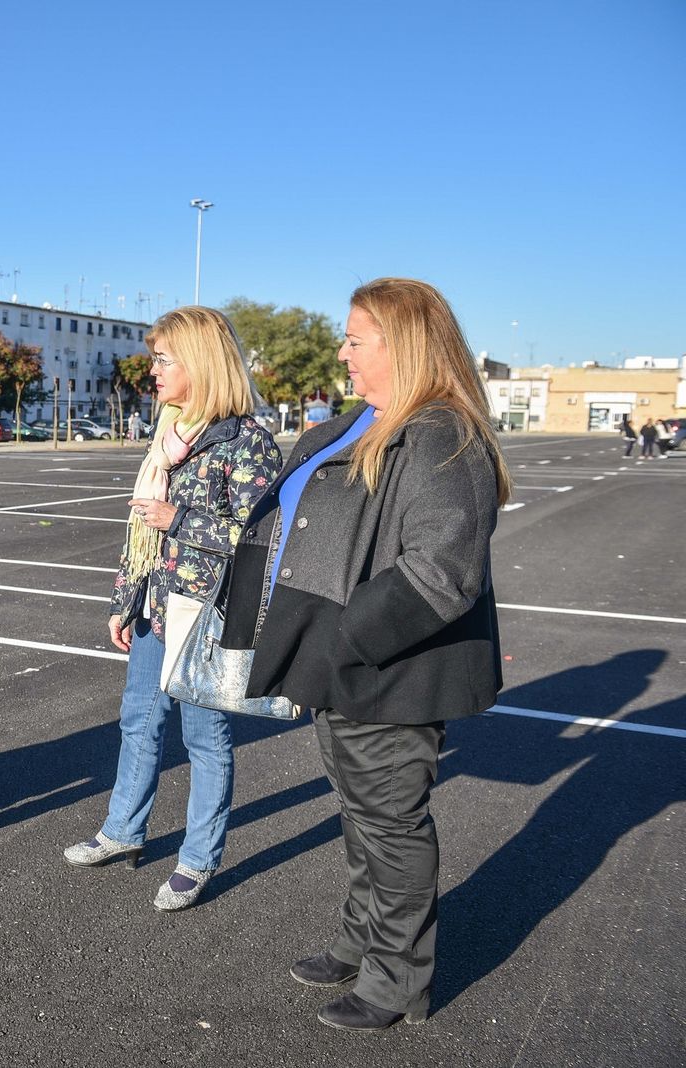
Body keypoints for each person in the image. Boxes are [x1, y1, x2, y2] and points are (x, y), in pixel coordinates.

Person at [221, 278, 510, 1031]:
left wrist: (344, 639)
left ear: (404, 345)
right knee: (359, 814)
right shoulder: (364, 421)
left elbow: (441, 573)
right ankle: (360, 941)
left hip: (390, 668)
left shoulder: (441, 433)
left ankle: (397, 981)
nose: (341, 352)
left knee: (390, 823)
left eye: (356, 339)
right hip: (336, 657)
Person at [63, 307, 282, 912]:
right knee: (138, 723)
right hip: (156, 609)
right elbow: (142, 528)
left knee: (205, 738)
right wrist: (124, 600)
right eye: (154, 357)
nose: (152, 369)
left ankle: (196, 860)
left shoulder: (248, 443)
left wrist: (179, 519)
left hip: (207, 615)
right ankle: (123, 832)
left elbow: (261, 536)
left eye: (164, 359)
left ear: (202, 363)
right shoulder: (169, 433)